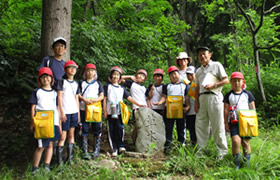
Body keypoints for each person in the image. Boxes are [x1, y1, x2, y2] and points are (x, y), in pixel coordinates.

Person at [103, 66, 146, 157]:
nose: (115, 76)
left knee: (120, 128)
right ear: (111, 76)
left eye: (118, 75)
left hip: (119, 112)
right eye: (114, 74)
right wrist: (105, 111)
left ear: (119, 77)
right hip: (110, 111)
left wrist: (138, 104)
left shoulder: (122, 88)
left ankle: (120, 146)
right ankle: (114, 148)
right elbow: (104, 99)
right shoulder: (107, 86)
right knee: (111, 130)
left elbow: (129, 98)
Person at [194, 46, 229, 160]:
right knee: (201, 125)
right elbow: (197, 87)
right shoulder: (198, 71)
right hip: (202, 98)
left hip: (215, 97)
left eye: (204, 53)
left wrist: (213, 85)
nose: (202, 56)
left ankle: (222, 151)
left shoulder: (216, 65)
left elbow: (226, 80)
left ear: (210, 54)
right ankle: (202, 150)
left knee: (217, 124)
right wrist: (196, 102)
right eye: (200, 55)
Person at [29, 67, 61, 174]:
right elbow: (33, 107)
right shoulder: (37, 92)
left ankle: (47, 166)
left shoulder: (55, 93)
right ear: (39, 80)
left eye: (47, 77)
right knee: (41, 146)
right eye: (43, 77)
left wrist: (59, 124)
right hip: (41, 121)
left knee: (51, 144)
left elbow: (58, 108)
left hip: (54, 121)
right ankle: (35, 168)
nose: (45, 79)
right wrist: (32, 121)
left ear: (51, 79)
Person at [224, 72, 255, 170]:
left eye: (239, 81)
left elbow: (253, 108)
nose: (237, 83)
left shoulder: (247, 94)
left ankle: (246, 163)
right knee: (235, 141)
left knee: (245, 142)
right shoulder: (228, 95)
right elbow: (225, 109)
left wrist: (253, 122)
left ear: (243, 82)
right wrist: (225, 122)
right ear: (231, 82)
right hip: (233, 122)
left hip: (246, 122)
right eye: (234, 81)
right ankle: (236, 163)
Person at [154, 66, 190, 151]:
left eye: (175, 74)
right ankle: (168, 146)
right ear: (169, 77)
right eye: (171, 75)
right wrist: (160, 102)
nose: (173, 76)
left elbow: (186, 97)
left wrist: (188, 106)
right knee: (168, 128)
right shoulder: (167, 86)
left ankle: (181, 146)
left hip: (180, 109)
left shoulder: (184, 85)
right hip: (169, 109)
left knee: (181, 128)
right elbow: (164, 96)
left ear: (179, 74)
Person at [56, 60, 80, 165]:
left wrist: (78, 113)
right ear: (65, 70)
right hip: (65, 111)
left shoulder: (76, 83)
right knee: (62, 136)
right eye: (70, 67)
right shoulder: (61, 81)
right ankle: (59, 162)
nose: (72, 69)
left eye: (74, 68)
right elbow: (59, 97)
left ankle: (70, 160)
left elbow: (76, 98)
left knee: (71, 135)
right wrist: (61, 112)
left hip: (74, 112)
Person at [79, 63, 104, 160]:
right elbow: (78, 94)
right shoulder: (81, 82)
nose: (90, 72)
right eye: (88, 70)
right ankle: (85, 151)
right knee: (84, 129)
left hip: (95, 109)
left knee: (97, 128)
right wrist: (84, 100)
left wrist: (96, 100)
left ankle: (96, 150)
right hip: (83, 108)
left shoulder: (98, 83)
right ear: (86, 72)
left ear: (95, 72)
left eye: (92, 70)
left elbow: (102, 95)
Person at [121, 69, 149, 142]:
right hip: (136, 108)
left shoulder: (144, 88)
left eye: (143, 76)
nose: (140, 76)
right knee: (138, 125)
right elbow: (119, 78)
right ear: (136, 75)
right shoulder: (131, 84)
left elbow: (147, 98)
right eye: (139, 74)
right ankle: (134, 141)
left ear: (144, 79)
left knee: (143, 126)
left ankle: (138, 142)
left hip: (145, 108)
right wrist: (130, 77)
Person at [185, 66, 197, 145]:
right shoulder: (186, 86)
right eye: (188, 75)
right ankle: (194, 145)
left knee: (199, 129)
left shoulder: (199, 84)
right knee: (192, 130)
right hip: (190, 112)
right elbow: (186, 97)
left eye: (191, 74)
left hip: (198, 111)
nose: (189, 76)